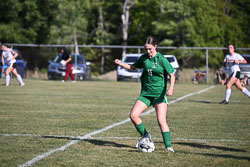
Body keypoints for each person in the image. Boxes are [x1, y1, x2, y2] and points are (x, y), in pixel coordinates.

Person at [114, 36, 176, 152]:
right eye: (146, 49)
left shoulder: (161, 59)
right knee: (133, 115)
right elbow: (132, 67)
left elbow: (172, 74)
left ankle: (168, 147)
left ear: (155, 47)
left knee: (161, 120)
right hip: (146, 94)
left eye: (150, 49)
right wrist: (120, 63)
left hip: (159, 95)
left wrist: (171, 88)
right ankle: (146, 136)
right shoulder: (144, 58)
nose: (148, 51)